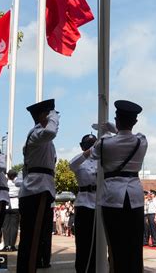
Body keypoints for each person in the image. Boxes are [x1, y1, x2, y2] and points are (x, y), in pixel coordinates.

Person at [73, 100, 147, 272]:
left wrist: (107, 130)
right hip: (135, 196)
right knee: (135, 245)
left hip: (113, 197)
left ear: (117, 119)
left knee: (116, 245)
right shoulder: (141, 141)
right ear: (135, 121)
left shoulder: (105, 143)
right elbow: (127, 134)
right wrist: (114, 128)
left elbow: (94, 155)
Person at [17, 99, 59, 272]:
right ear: (42, 115)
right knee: (33, 238)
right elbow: (51, 132)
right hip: (38, 188)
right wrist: (54, 119)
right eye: (49, 113)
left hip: (37, 187)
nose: (53, 117)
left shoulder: (39, 137)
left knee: (34, 236)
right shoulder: (38, 134)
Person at [69, 133, 97, 273]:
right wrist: (89, 152)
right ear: (82, 146)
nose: (91, 146)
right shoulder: (79, 161)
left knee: (98, 242)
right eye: (88, 144)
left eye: (94, 143)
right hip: (84, 203)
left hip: (99, 202)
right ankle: (82, 269)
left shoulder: (103, 161)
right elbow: (71, 165)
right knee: (83, 241)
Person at [2, 170, 20, 252]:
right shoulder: (18, 184)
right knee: (14, 226)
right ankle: (12, 245)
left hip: (6, 204)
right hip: (16, 204)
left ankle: (6, 245)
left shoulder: (5, 183)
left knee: (5, 226)